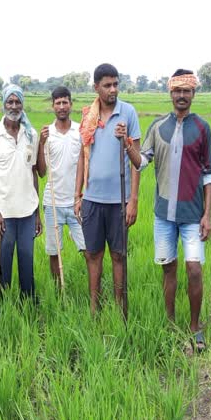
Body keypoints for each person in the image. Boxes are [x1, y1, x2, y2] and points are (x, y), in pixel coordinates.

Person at [134, 69, 211, 351]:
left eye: (187, 91)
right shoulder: (157, 127)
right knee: (168, 269)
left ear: (193, 94)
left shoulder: (203, 128)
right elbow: (141, 161)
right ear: (170, 93)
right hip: (163, 216)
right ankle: (169, 323)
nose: (181, 96)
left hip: (193, 216)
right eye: (177, 91)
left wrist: (207, 214)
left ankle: (195, 327)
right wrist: (125, 145)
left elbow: (209, 173)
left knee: (194, 269)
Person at [74, 64, 141, 318]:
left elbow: (138, 163)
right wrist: (77, 195)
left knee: (118, 256)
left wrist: (133, 201)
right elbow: (83, 155)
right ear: (96, 87)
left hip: (119, 201)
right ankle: (94, 307)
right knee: (93, 255)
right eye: (107, 85)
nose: (113, 89)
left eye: (115, 84)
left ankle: (120, 308)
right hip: (91, 199)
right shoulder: (88, 116)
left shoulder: (128, 113)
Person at [0, 84, 42, 300]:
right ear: (3, 104)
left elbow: (33, 172)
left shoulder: (31, 134)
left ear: (23, 104)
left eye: (17, 102)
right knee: (4, 266)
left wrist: (37, 214)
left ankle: (29, 309)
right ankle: (4, 307)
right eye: (10, 102)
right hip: (4, 214)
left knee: (27, 264)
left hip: (27, 212)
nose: (14, 106)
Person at [36, 86, 86, 283]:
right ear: (53, 106)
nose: (62, 106)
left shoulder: (80, 131)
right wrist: (40, 144)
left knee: (88, 248)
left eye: (65, 102)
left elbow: (86, 162)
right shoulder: (47, 135)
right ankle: (58, 293)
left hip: (77, 202)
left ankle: (92, 290)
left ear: (71, 104)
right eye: (58, 103)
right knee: (54, 252)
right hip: (53, 202)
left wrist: (80, 195)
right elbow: (41, 171)